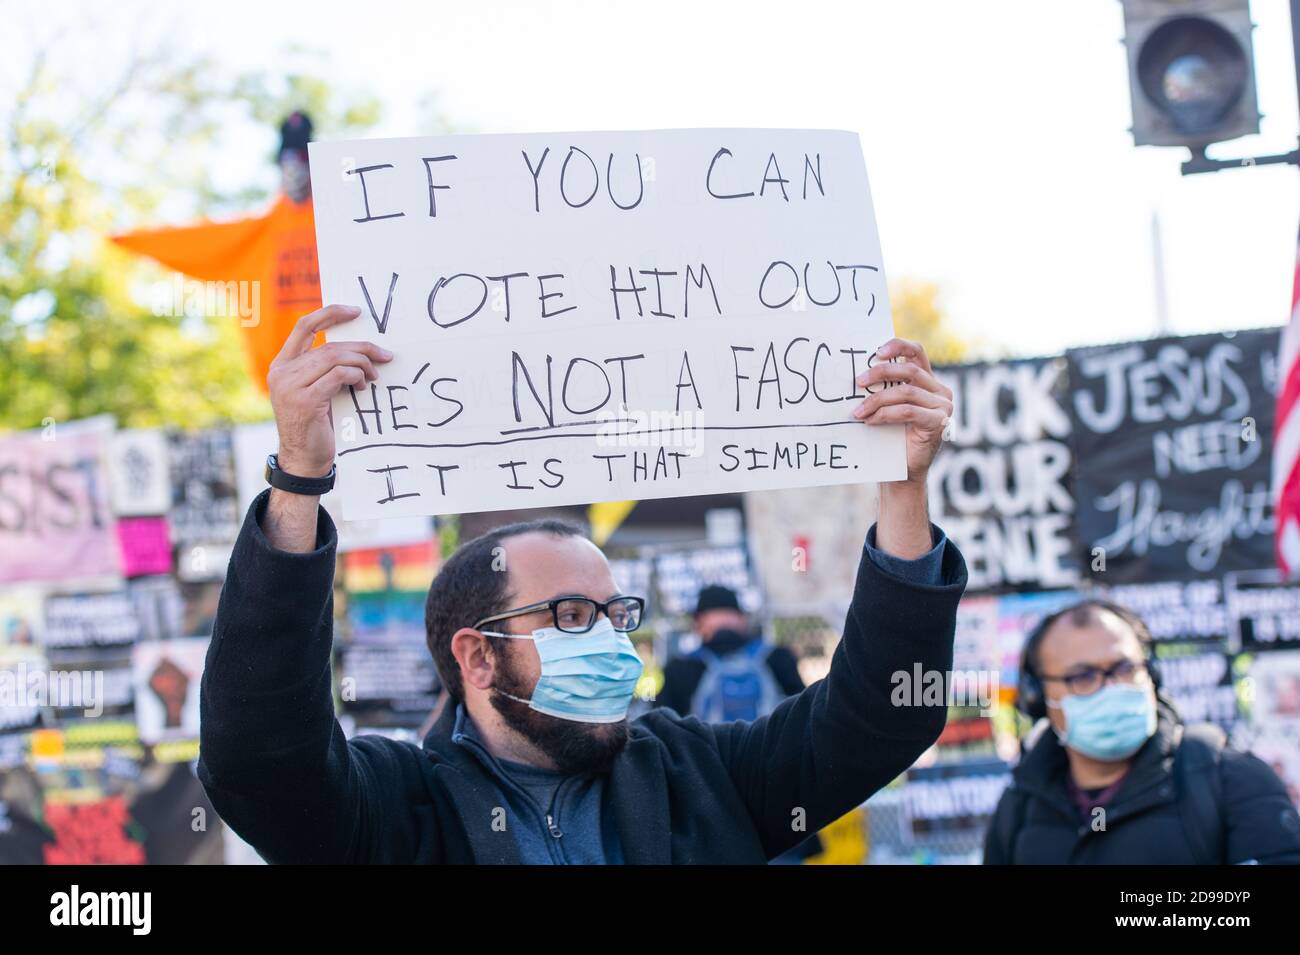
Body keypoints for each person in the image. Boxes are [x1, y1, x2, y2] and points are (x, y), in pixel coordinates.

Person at [197, 304, 966, 864]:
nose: (607, 640)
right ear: (478, 656)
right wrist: (298, 479)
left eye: (613, 614)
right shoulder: (393, 811)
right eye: (568, 615)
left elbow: (885, 714)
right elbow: (258, 761)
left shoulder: (699, 778)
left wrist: (903, 486)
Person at [984, 599, 1300, 864]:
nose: (1112, 687)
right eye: (1083, 676)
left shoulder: (1232, 779)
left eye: (1125, 669)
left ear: (1152, 675)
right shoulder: (1018, 807)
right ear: (1037, 697)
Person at [654, 584, 804, 721]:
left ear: (699, 622)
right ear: (740, 618)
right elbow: (803, 712)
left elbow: (661, 722)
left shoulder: (682, 667)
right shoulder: (777, 657)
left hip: (710, 743)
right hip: (767, 742)